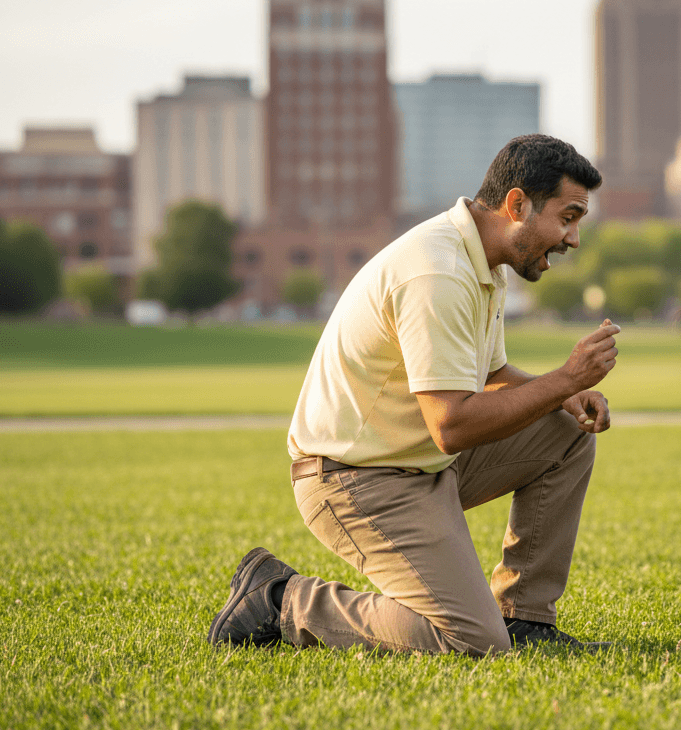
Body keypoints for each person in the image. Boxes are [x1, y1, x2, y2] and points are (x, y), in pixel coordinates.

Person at [207, 135, 618, 655]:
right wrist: (565, 380)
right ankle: (281, 599)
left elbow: (489, 374)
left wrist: (562, 398)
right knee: (471, 641)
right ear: (517, 205)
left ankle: (525, 619)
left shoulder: (483, 261)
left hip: (415, 465)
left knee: (566, 432)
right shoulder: (438, 271)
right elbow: (452, 426)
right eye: (569, 216)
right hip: (353, 480)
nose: (574, 238)